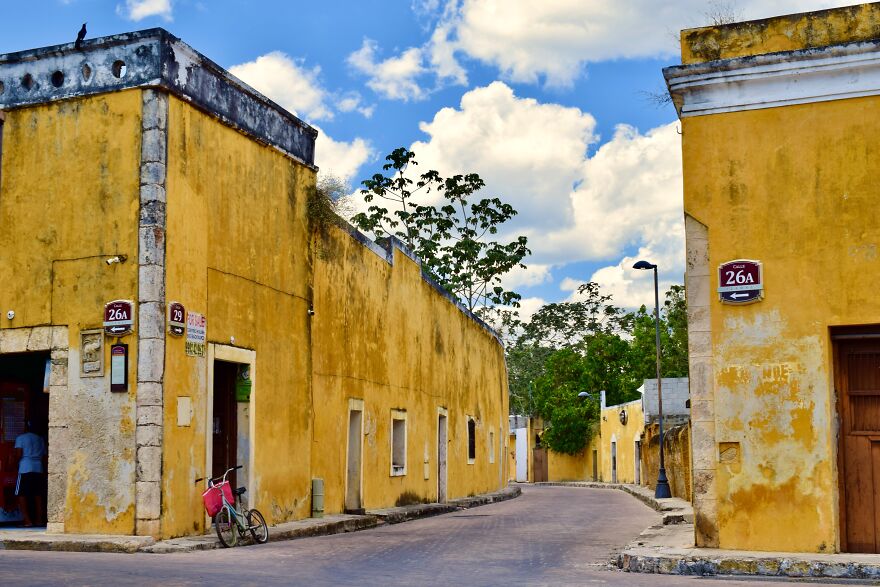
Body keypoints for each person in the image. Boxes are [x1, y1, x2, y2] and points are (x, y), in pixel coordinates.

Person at [14, 422, 46, 527]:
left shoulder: (21, 438)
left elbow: (19, 454)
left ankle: (27, 520)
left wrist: (14, 464)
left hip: (25, 467)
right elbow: (44, 456)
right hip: (38, 467)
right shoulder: (40, 439)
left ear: (26, 427)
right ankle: (39, 520)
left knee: (21, 494)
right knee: (38, 495)